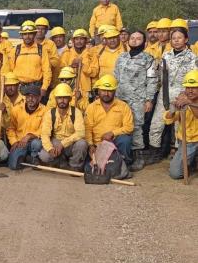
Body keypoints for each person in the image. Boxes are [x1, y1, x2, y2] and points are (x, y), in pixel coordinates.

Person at [147, 26, 198, 162]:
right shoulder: (165, 55)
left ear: (186, 39)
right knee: (156, 124)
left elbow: (194, 80)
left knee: (178, 126)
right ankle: (155, 151)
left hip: (182, 96)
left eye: (179, 38)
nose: (176, 41)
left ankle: (176, 152)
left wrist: (186, 97)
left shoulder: (192, 58)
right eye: (173, 38)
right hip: (164, 95)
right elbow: (159, 75)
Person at [114, 30, 158, 170]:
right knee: (120, 125)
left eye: (138, 38)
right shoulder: (121, 57)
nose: (134, 40)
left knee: (137, 127)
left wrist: (149, 100)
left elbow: (152, 81)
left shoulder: (149, 59)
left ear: (144, 43)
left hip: (138, 99)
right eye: (132, 38)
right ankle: (122, 154)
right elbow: (115, 77)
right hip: (120, 98)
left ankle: (138, 155)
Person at [84, 75, 134, 166]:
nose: (106, 94)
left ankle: (124, 164)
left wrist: (112, 133)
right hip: (97, 145)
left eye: (110, 91)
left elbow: (129, 127)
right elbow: (87, 129)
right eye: (103, 90)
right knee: (91, 167)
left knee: (125, 140)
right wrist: (91, 145)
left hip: (115, 144)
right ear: (98, 91)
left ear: (115, 91)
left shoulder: (123, 106)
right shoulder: (91, 107)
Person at [38, 83, 88, 171]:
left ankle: (74, 165)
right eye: (59, 98)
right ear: (56, 99)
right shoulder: (50, 113)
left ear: (70, 99)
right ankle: (60, 161)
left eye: (65, 98)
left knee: (82, 144)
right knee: (44, 156)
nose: (62, 100)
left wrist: (62, 144)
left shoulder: (76, 112)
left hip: (71, 144)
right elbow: (45, 134)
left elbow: (81, 133)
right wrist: (50, 149)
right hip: (56, 143)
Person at [2, 20, 51, 98]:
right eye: (25, 34)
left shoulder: (41, 50)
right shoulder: (16, 50)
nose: (27, 36)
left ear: (35, 34)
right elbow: (9, 71)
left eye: (30, 33)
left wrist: (44, 87)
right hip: (19, 88)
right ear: (21, 35)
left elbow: (47, 71)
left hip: (36, 87)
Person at [165, 70, 198, 179]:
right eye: (188, 87)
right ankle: (191, 162)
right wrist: (173, 109)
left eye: (194, 87)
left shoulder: (187, 101)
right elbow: (168, 119)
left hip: (196, 141)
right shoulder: (182, 100)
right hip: (185, 142)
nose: (190, 91)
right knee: (175, 173)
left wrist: (190, 103)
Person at [6, 85, 46, 169]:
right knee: (13, 166)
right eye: (28, 96)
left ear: (39, 98)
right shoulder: (16, 109)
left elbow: (44, 130)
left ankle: (34, 157)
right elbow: (10, 128)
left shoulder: (45, 110)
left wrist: (29, 136)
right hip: (20, 142)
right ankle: (28, 158)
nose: (30, 99)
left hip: (34, 141)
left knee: (37, 143)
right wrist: (14, 142)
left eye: (33, 96)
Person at [59, 28, 94, 100]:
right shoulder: (66, 54)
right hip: (69, 89)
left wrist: (83, 66)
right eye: (77, 39)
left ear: (86, 41)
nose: (79, 41)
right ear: (73, 41)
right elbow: (61, 72)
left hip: (85, 90)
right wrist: (71, 66)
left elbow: (94, 72)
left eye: (82, 39)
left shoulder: (91, 55)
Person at [34, 17, 60, 88]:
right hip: (33, 80)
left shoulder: (51, 44)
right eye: (38, 28)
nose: (40, 31)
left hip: (48, 80)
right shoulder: (30, 43)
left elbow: (56, 61)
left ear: (46, 31)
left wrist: (44, 61)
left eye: (43, 29)